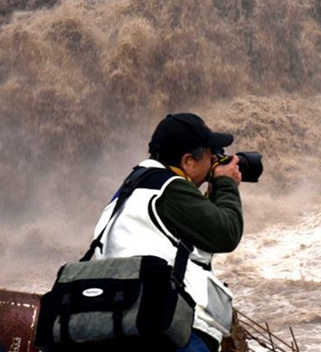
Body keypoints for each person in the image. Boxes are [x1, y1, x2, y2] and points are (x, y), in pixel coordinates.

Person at [91, 113, 243, 352]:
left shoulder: (134, 186)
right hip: (167, 331)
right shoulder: (171, 189)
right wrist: (226, 185)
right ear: (188, 162)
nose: (215, 159)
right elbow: (227, 233)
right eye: (210, 153)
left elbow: (193, 244)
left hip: (120, 320)